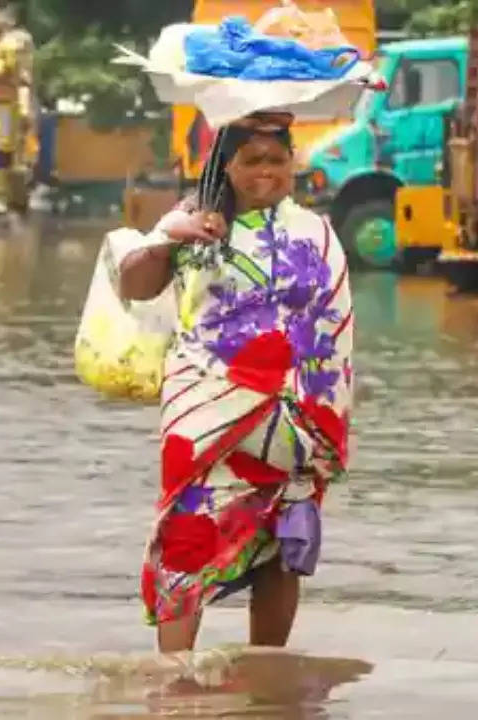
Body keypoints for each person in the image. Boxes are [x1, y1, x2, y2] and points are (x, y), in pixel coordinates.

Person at [117, 112, 354, 654]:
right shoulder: (192, 220)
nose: (266, 172)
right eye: (252, 160)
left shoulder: (315, 232)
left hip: (291, 420)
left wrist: (321, 416)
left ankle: (268, 681)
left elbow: (335, 330)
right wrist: (168, 238)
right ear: (226, 166)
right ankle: (174, 687)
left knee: (278, 552)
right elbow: (136, 284)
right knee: (185, 540)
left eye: (277, 159)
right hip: (207, 411)